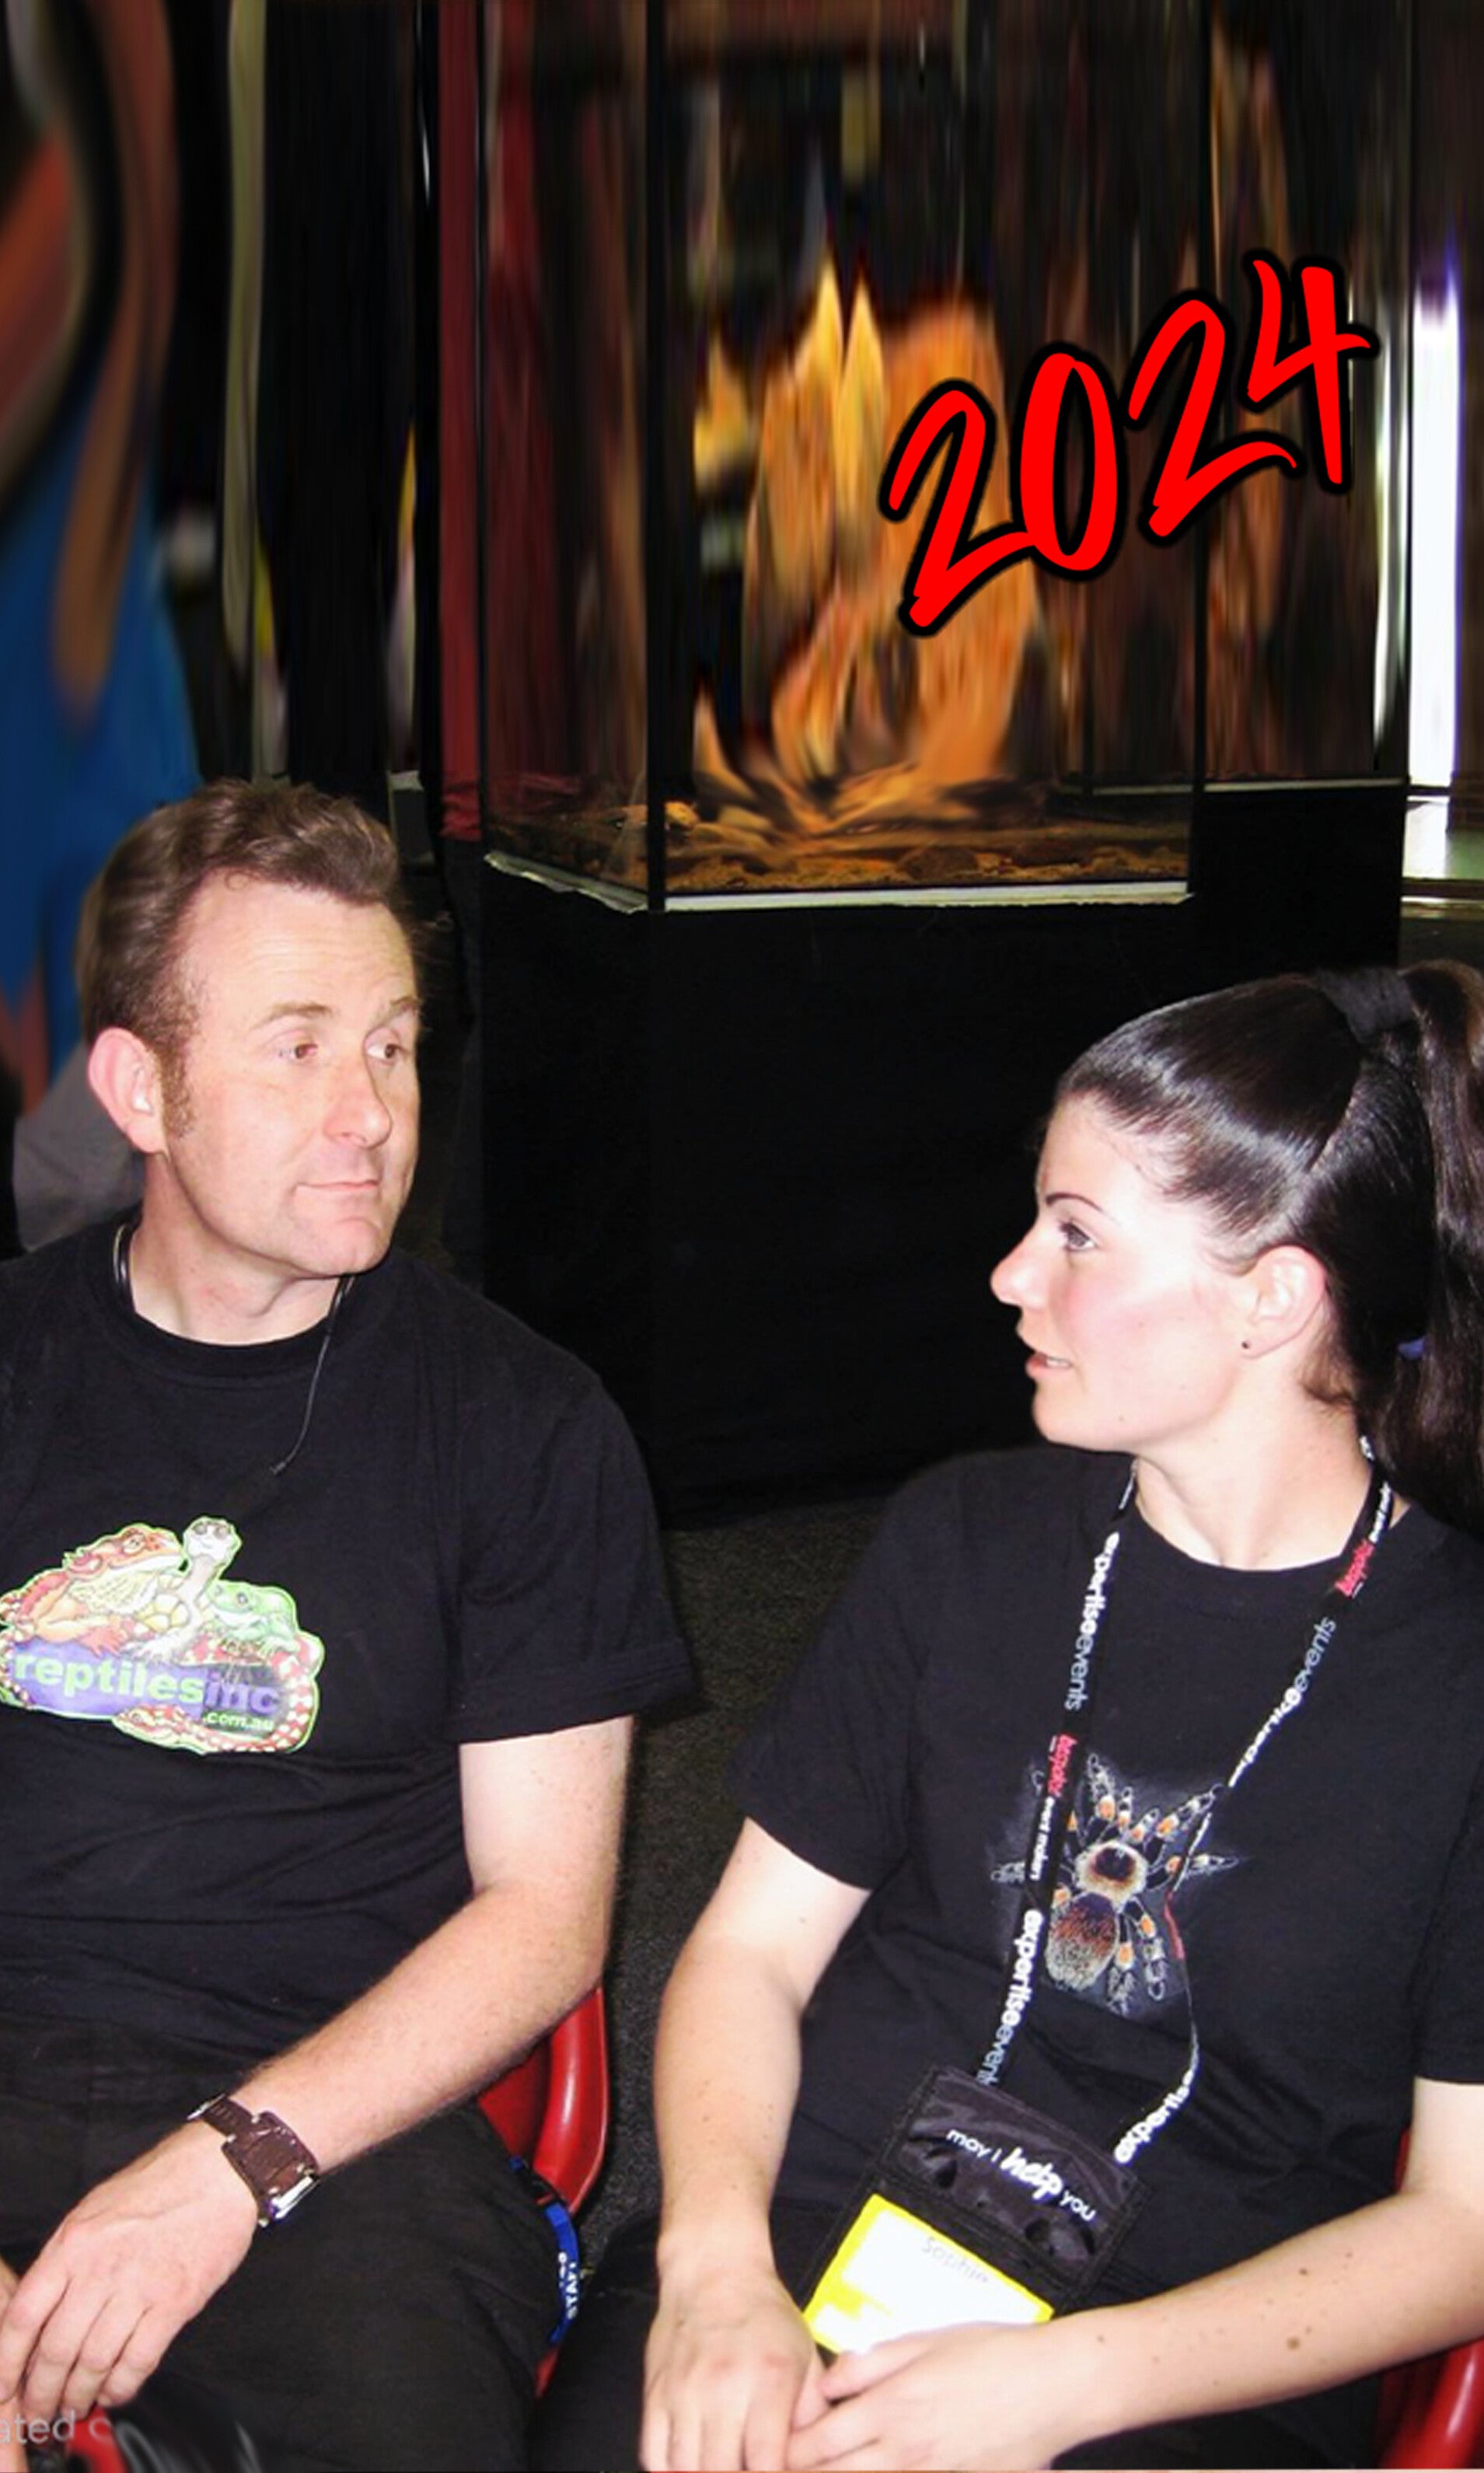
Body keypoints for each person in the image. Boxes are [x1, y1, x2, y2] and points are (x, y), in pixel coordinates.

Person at [533, 962, 1484, 2472]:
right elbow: (749, 1951)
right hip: (808, 2237)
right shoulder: (962, 1541)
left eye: (1076, 1234)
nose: (1009, 1275)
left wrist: (1062, 2385)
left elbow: (1463, 2223)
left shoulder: (1454, 1675)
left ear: (1272, 1296)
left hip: (1185, 2347)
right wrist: (713, 2272)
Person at [0, 778, 690, 2473]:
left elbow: (544, 1917)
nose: (370, 1111)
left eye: (390, 1045)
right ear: (140, 1090)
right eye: (298, 1047)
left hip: (324, 2118)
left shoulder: (525, 1424)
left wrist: (229, 2163)